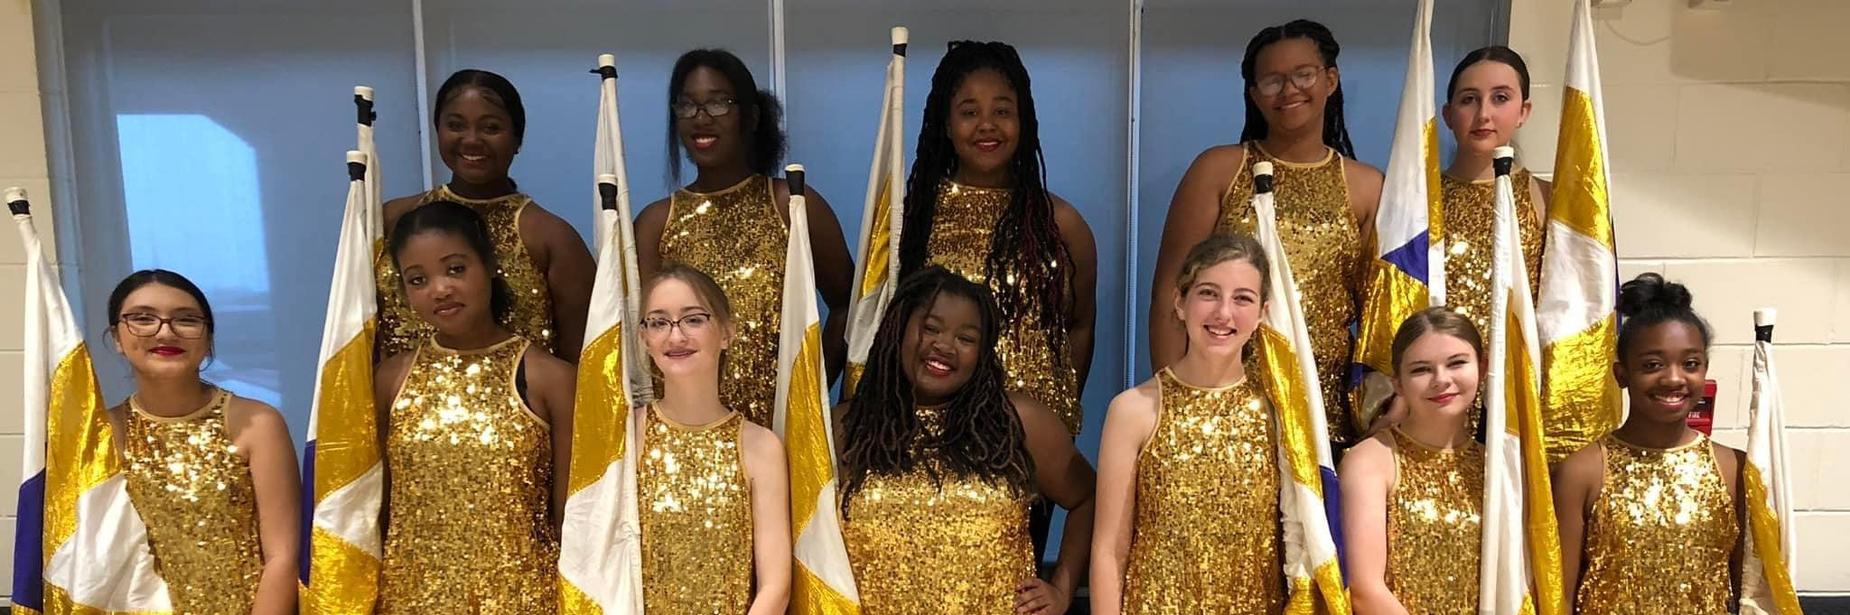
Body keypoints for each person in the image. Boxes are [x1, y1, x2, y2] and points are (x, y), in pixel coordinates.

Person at [1148, 19, 1383, 445]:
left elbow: (1380, 314)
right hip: (1223, 399)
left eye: (1303, 75)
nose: (1289, 90)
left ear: (1330, 80)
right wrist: (1176, 406)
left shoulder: (1366, 187)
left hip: (1324, 410)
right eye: (1272, 81)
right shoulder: (1218, 170)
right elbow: (1170, 295)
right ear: (1255, 94)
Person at [836, 267, 1095, 614]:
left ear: (983, 352)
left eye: (966, 338)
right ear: (896, 331)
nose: (944, 346)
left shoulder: (1019, 421)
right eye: (931, 328)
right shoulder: (846, 426)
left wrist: (1061, 589)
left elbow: (1089, 498)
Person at [373, 202, 576, 612]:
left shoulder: (551, 378)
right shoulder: (390, 379)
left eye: (455, 269)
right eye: (418, 279)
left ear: (489, 265)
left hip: (523, 600)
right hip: (410, 600)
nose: (440, 289)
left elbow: (573, 518)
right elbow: (378, 511)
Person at [635, 49, 854, 427]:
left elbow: (849, 309)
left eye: (718, 103)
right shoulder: (656, 222)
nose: (701, 117)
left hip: (780, 433)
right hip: (682, 438)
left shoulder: (791, 205)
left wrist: (806, 395)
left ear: (750, 117)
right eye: (687, 105)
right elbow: (641, 336)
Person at [896, 40, 1098, 438]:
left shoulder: (1061, 223)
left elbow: (1080, 325)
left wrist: (1059, 420)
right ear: (946, 125)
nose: (987, 125)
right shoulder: (914, 219)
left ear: (1024, 121)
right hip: (936, 436)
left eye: (1002, 111)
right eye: (969, 112)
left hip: (1031, 441)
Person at [1095, 234, 1289, 614]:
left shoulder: (1280, 411)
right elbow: (1109, 550)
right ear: (1180, 302)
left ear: (1262, 313)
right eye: (1208, 294)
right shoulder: (1133, 411)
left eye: (1242, 298)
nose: (1224, 313)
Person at [104, 270, 300, 615]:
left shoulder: (257, 424)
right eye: (143, 319)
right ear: (117, 337)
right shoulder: (102, 434)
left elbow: (283, 557)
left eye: (186, 320)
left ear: (208, 338)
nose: (165, 331)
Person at [1552, 273, 1743, 613]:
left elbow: (1749, 593)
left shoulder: (1734, 468)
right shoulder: (1582, 470)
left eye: (1690, 364)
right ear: (1622, 374)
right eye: (1652, 365)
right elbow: (1559, 598)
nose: (1673, 378)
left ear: (1704, 370)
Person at [374, 69, 596, 361]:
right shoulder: (393, 219)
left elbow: (583, 363)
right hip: (400, 388)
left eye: (490, 128)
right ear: (437, 130)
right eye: (456, 125)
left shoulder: (551, 237)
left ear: (517, 139)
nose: (471, 140)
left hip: (522, 390)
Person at [635, 264, 791, 613]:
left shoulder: (761, 447)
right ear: (644, 338)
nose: (676, 337)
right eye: (659, 322)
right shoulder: (626, 437)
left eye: (693, 320)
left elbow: (775, 586)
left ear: (726, 333)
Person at [1339, 307, 1487, 614]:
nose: (1441, 380)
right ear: (1398, 383)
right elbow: (1365, 590)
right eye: (1421, 370)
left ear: (1482, 368)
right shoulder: (1371, 461)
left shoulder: (1498, 466)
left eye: (1456, 363)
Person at [1437, 46, 1547, 342]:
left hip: (1521, 366)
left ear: (1523, 111)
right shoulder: (1421, 200)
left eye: (1500, 98)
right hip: (1442, 367)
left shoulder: (1546, 199)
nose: (1484, 114)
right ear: (1448, 114)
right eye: (1469, 100)